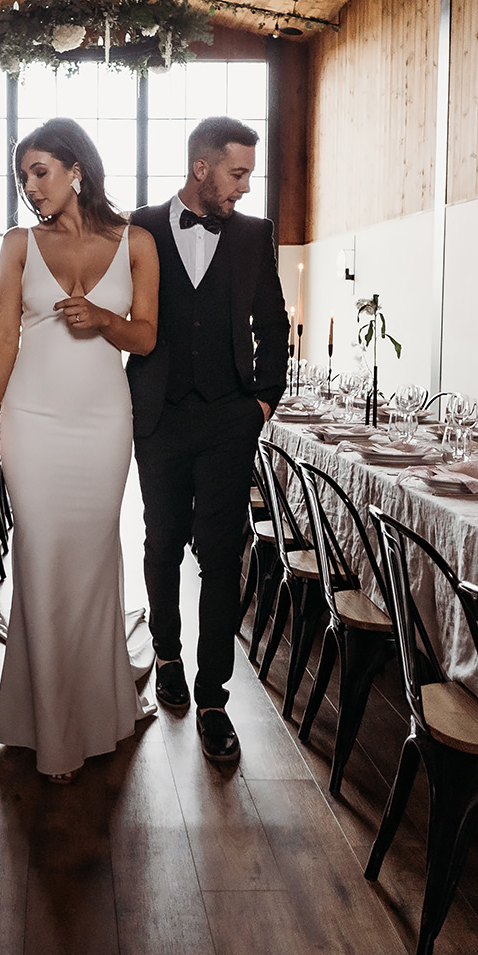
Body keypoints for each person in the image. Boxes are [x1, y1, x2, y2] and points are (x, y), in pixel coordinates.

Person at [0, 118, 160, 782]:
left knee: (95, 559)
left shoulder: (137, 242)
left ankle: (98, 712)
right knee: (41, 559)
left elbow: (146, 338)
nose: (30, 188)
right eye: (23, 177)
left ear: (76, 168)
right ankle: (48, 728)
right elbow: (4, 338)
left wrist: (102, 319)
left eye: (39, 171)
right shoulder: (18, 245)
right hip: (32, 419)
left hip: (104, 422)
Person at [125, 116, 289, 763]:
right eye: (238, 173)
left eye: (249, 173)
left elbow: (274, 325)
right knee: (161, 543)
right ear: (202, 168)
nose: (246, 187)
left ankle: (214, 695)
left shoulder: (254, 235)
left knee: (223, 555)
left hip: (228, 420)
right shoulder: (138, 225)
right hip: (159, 418)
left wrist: (262, 403)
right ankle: (167, 655)